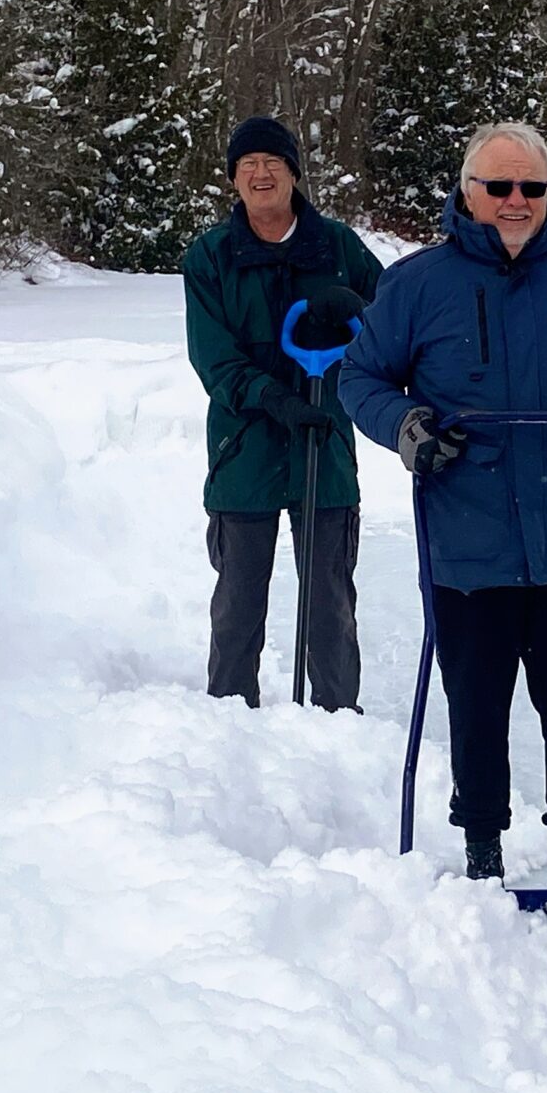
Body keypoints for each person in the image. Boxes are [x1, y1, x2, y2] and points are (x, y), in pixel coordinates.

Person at [340, 121, 547, 887]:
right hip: (466, 542)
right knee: (477, 711)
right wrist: (406, 426)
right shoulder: (418, 284)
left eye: (532, 187)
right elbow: (360, 379)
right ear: (468, 192)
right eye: (500, 187)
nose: (516, 201)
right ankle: (482, 855)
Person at [181, 115, 385, 710]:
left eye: (273, 162)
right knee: (239, 600)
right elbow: (214, 358)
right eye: (248, 165)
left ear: (294, 174)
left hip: (325, 443)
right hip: (244, 448)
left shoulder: (338, 246)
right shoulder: (211, 256)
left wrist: (357, 312)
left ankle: (338, 721)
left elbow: (393, 322)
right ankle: (228, 718)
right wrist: (274, 399)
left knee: (329, 601)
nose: (261, 173)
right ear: (234, 181)